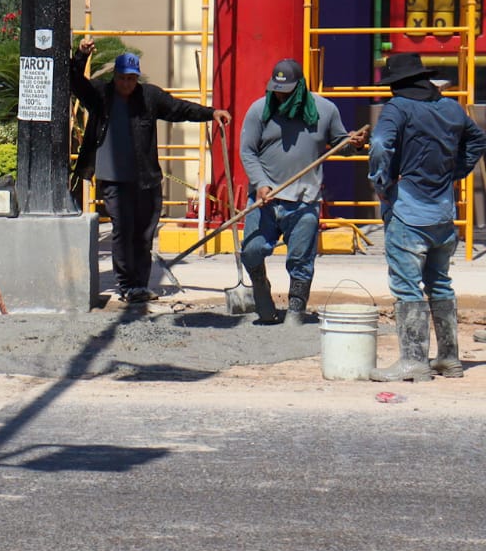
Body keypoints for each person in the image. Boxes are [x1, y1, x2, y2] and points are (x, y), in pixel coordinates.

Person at [71, 37, 232, 303]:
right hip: (113, 180)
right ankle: (125, 284)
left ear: (137, 78)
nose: (126, 84)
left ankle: (139, 284)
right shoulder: (101, 94)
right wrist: (80, 56)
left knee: (144, 234)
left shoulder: (150, 96)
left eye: (131, 79)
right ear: (115, 76)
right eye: (122, 78)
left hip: (146, 179)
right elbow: (76, 83)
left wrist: (211, 113)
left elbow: (180, 109)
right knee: (122, 230)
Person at [367, 53, 486, 382]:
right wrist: (456, 172)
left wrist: (380, 182)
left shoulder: (398, 108)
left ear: (398, 85)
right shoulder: (450, 108)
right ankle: (449, 359)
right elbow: (477, 139)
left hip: (408, 211)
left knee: (407, 288)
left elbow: (379, 143)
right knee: (440, 283)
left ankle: (414, 361)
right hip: (443, 213)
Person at [238, 59, 366, 326]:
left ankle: (296, 312)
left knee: (300, 259)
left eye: (286, 90)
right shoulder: (259, 110)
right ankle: (261, 292)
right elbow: (247, 151)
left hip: (305, 200)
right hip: (265, 200)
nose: (280, 95)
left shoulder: (325, 110)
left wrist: (353, 144)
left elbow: (339, 144)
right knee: (251, 251)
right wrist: (261, 183)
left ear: (300, 87)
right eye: (276, 89)